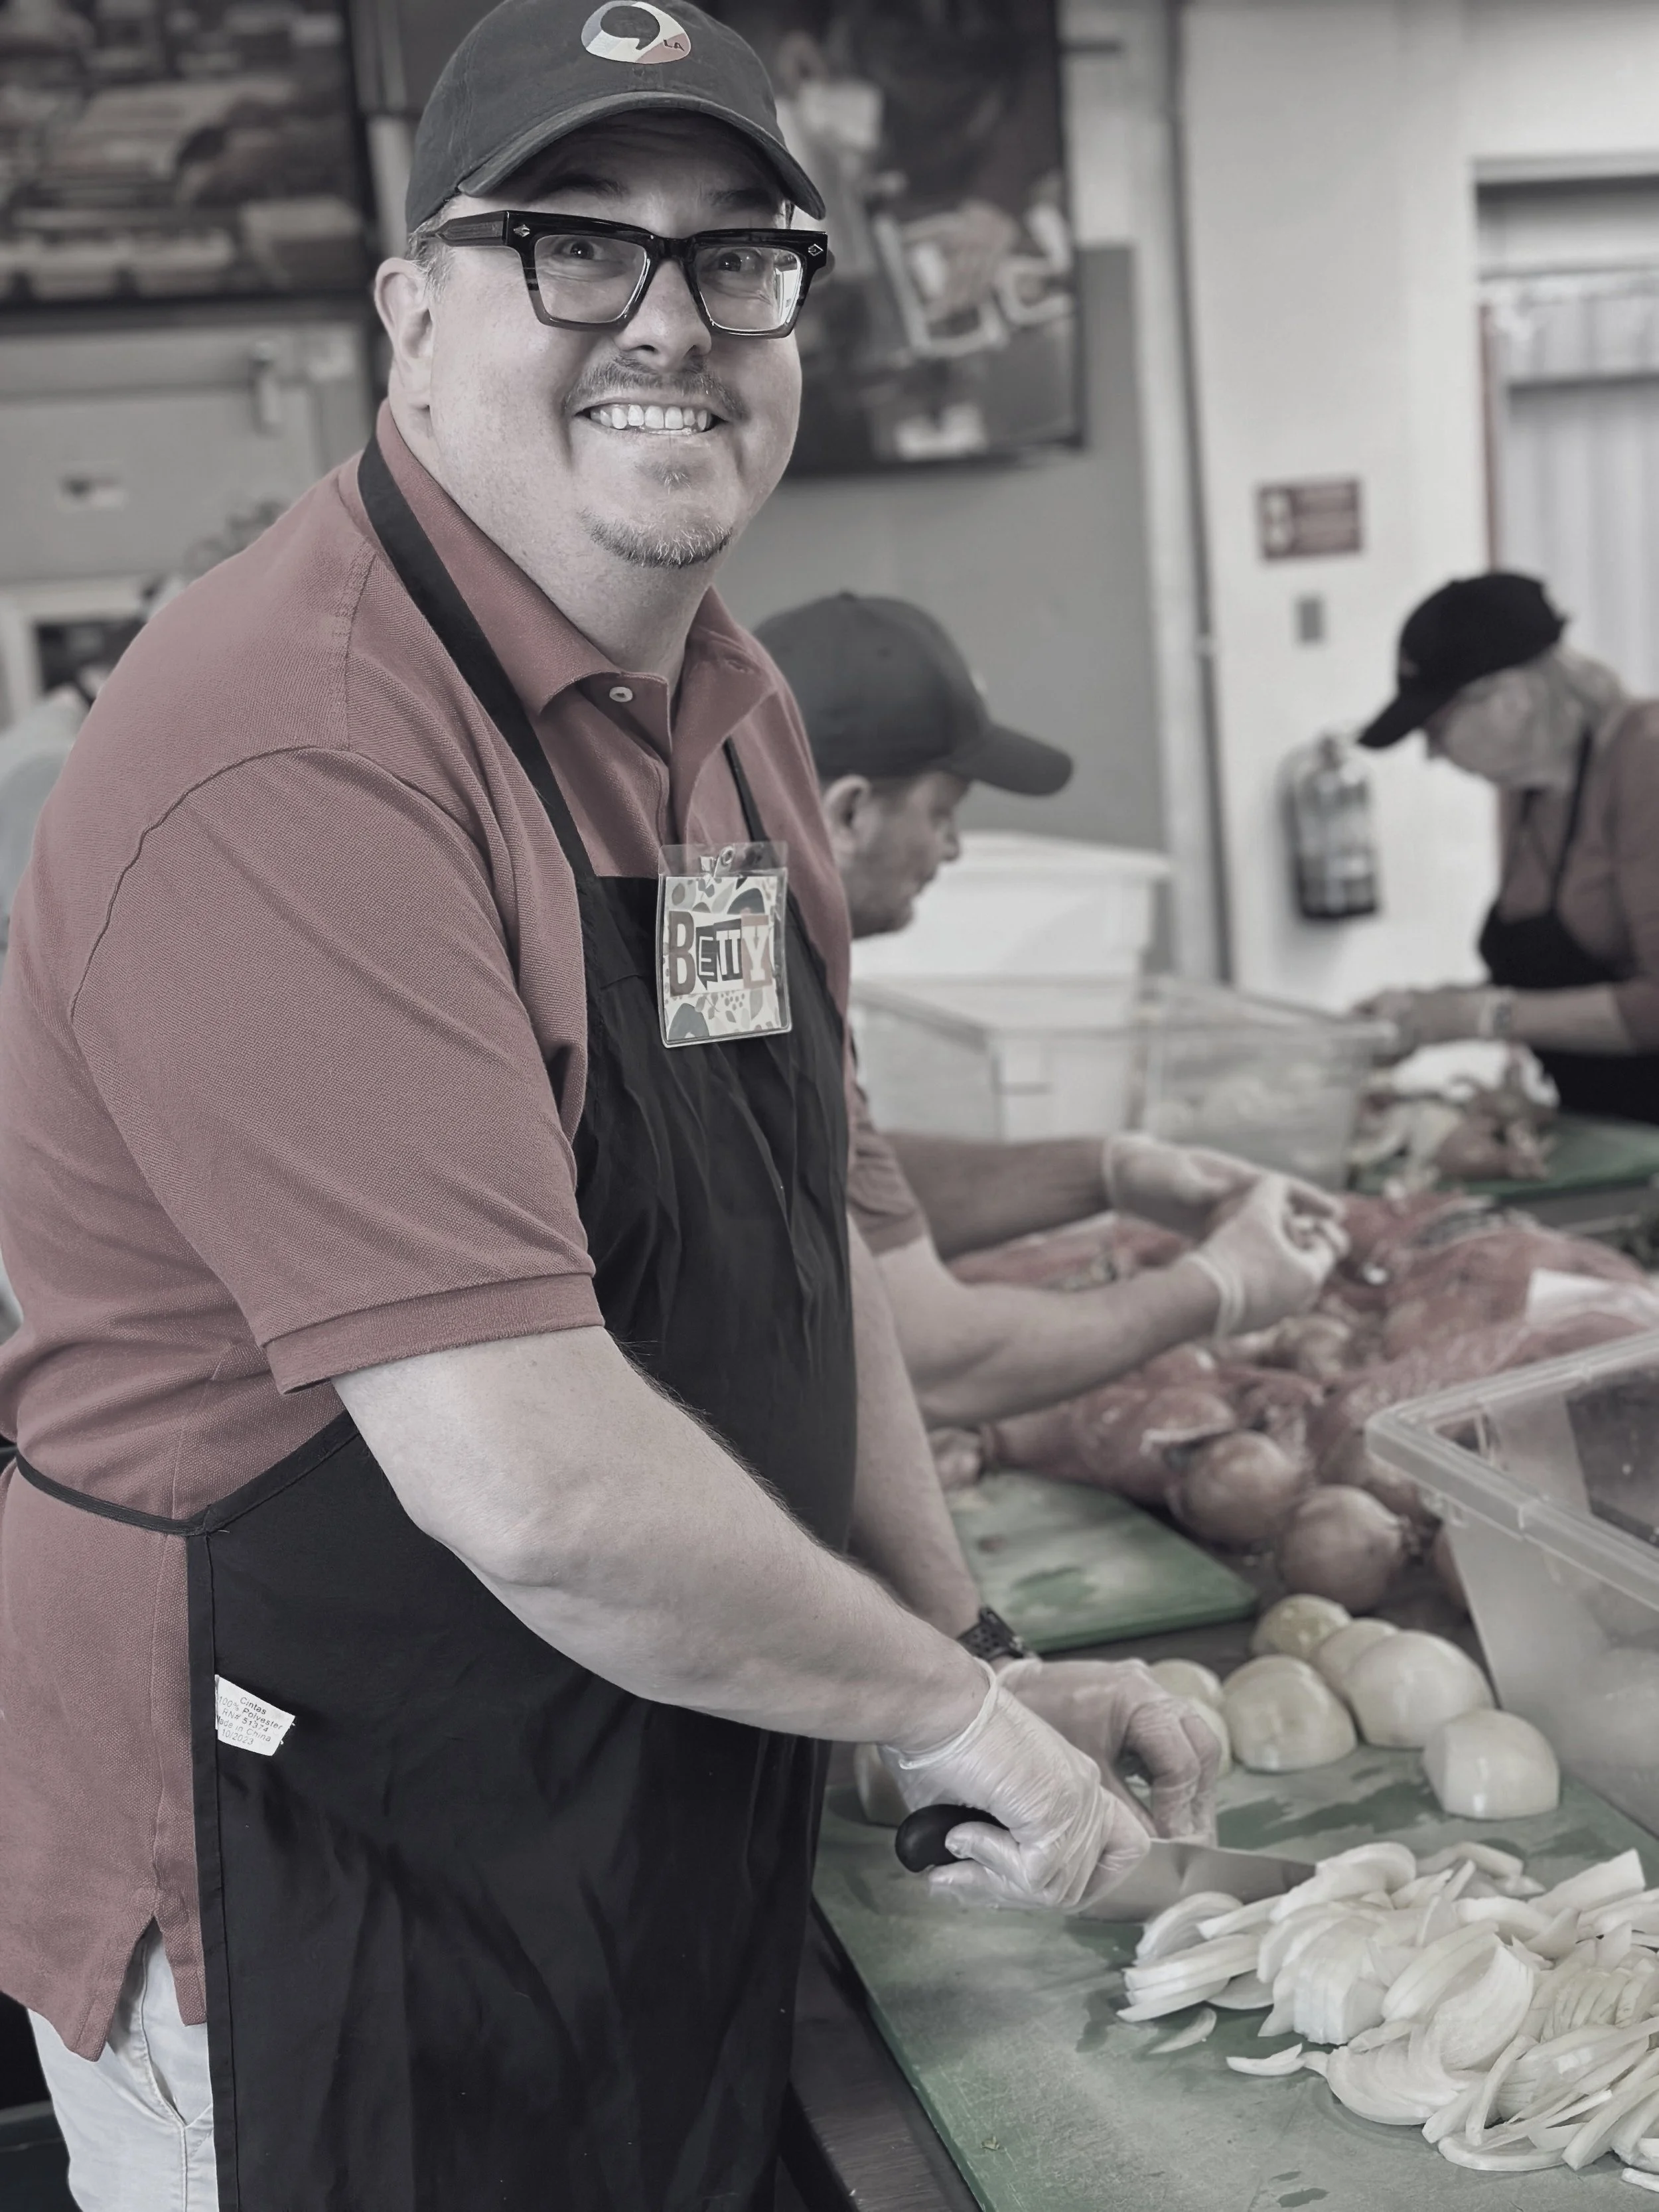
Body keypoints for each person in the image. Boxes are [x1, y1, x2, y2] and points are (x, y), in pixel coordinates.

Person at [0, 8, 1224, 2207]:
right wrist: (943, 1727)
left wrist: (960, 1651)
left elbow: (801, 1233)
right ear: (411, 314)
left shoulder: (726, 712)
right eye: (572, 243)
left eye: (738, 254)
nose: (666, 317)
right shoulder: (293, 749)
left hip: (619, 1767)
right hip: (312, 1845)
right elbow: (540, 1487)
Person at [755, 590, 1348, 1437]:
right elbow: (933, 1360)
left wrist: (1107, 1171)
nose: (952, 849)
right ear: (849, 812)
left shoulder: (713, 913)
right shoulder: (748, 983)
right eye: (942, 811)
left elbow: (815, 1190)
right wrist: (1214, 1288)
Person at [1352, 571, 1659, 1124]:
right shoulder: (1531, 790)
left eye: (1438, 728)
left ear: (1512, 698)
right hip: (1612, 1130)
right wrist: (1420, 1013)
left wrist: (1476, 1017)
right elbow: (1559, 980)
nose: (1434, 755)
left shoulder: (1646, 759)